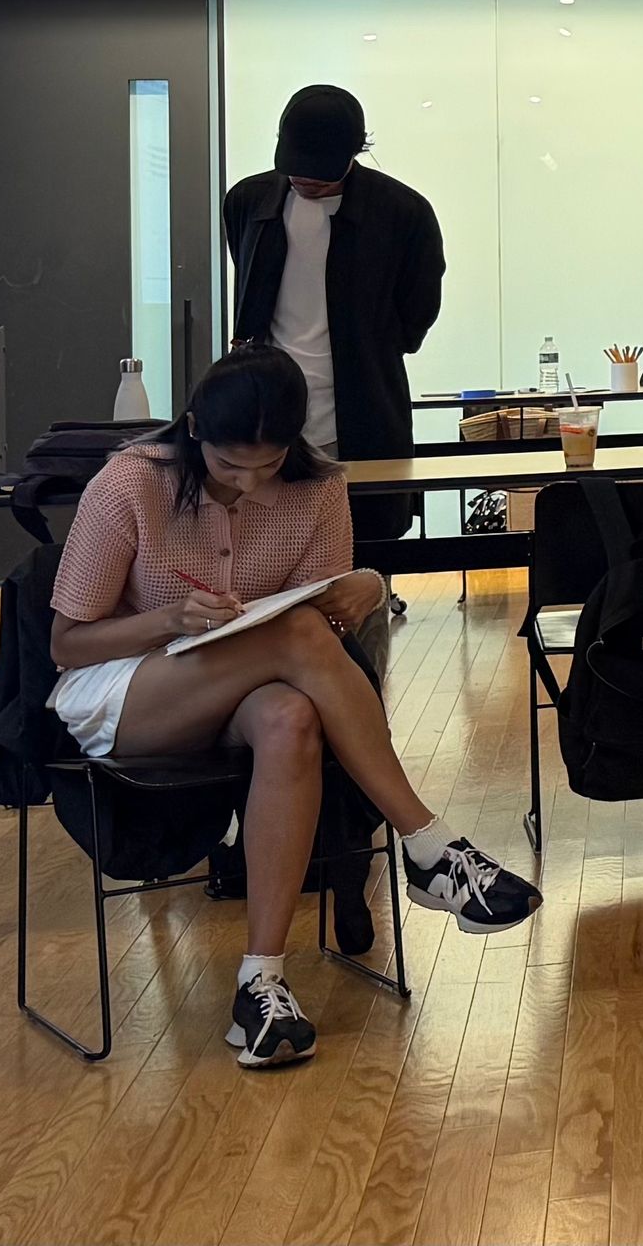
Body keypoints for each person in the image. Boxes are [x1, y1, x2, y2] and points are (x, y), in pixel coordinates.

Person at [45, 346, 539, 1069]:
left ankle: (262, 983)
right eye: (229, 467)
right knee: (296, 640)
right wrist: (171, 619)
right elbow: (68, 642)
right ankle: (429, 846)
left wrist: (363, 585)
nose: (248, 484)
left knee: (291, 718)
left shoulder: (318, 489)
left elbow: (320, 631)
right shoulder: (129, 484)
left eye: (268, 467)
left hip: (252, 681)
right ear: (191, 430)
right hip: (127, 687)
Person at [222, 84, 444, 546]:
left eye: (321, 172)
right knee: (262, 548)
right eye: (295, 168)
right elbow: (248, 284)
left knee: (364, 544)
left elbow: (417, 313)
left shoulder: (403, 213)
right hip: (266, 411)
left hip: (363, 407)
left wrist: (369, 345)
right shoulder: (250, 199)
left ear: (356, 150)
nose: (306, 180)